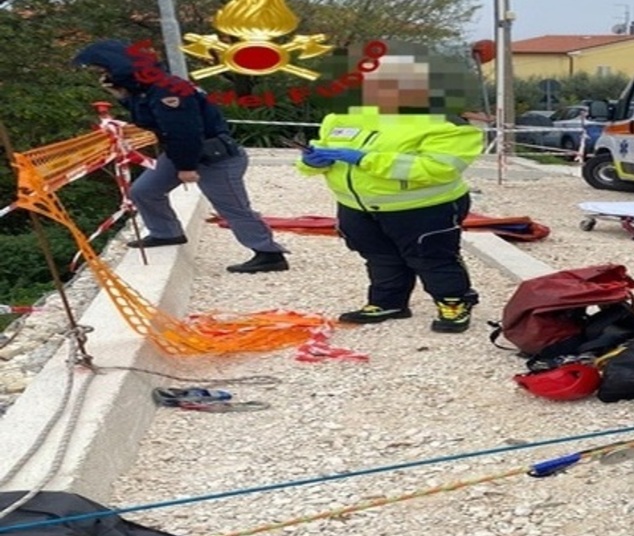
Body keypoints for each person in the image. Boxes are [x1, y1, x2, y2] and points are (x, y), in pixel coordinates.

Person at [297, 52, 483, 332]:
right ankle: (388, 302)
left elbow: (438, 168)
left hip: (425, 208)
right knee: (378, 256)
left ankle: (454, 302)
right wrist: (310, 161)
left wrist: (365, 159)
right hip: (357, 206)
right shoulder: (342, 117)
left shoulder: (448, 124)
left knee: (432, 257)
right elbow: (322, 148)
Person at [71, 40, 288, 274]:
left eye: (106, 71)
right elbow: (147, 118)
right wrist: (122, 95)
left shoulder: (168, 90)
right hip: (181, 152)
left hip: (212, 157)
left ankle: (269, 254)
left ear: (122, 68)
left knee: (233, 208)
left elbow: (184, 131)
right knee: (144, 191)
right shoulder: (148, 88)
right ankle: (166, 233)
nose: (104, 76)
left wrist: (186, 167)